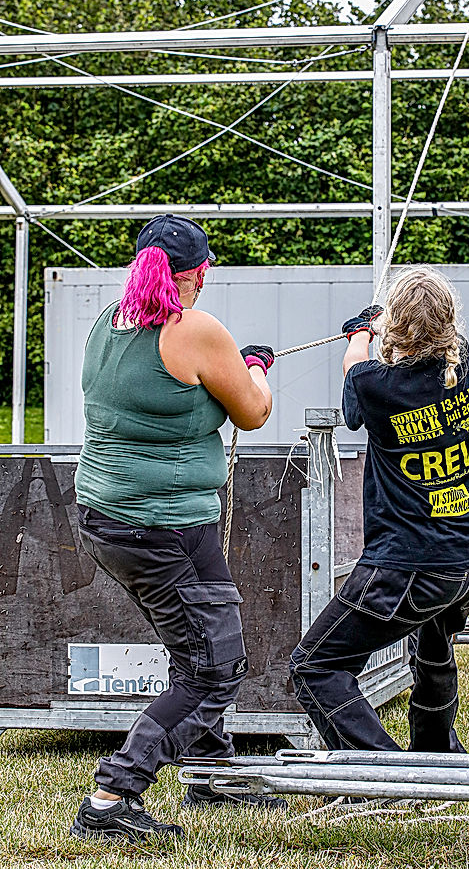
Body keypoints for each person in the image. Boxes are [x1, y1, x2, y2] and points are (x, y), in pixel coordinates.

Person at [70, 214, 280, 842]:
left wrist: (231, 368)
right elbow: (253, 412)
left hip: (108, 520)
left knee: (191, 647)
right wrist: (255, 366)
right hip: (166, 530)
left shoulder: (108, 322)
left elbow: (161, 396)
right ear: (200, 272)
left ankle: (212, 774)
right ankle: (112, 797)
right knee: (214, 666)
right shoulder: (195, 328)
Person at [290, 267, 469, 753]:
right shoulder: (460, 363)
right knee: (432, 649)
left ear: (397, 326)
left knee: (315, 667)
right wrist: (384, 324)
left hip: (411, 565)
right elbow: (418, 343)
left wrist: (362, 331)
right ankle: (435, 756)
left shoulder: (374, 385)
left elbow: (353, 373)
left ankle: (383, 771)